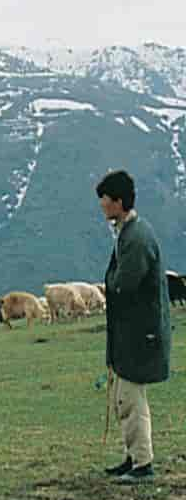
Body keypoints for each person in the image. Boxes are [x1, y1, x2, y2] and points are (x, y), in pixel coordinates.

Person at [96, 169, 172, 484]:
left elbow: (123, 284)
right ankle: (133, 456)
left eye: (105, 199)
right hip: (134, 331)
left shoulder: (136, 238)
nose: (101, 205)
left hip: (140, 333)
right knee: (123, 396)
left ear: (118, 201)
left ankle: (143, 463)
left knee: (130, 397)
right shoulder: (130, 232)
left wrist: (109, 282)